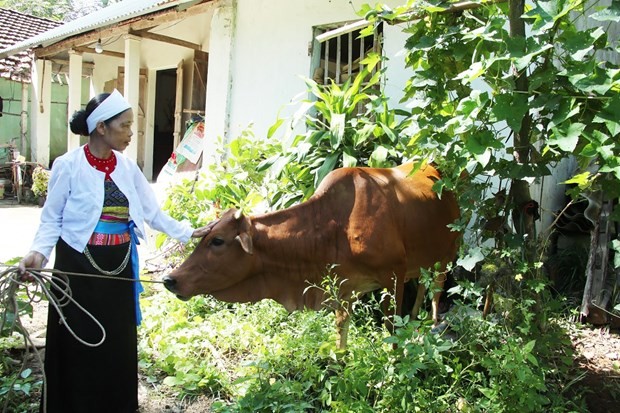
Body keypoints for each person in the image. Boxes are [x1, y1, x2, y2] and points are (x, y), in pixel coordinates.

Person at [18, 89, 211, 413]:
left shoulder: (126, 167)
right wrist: (37, 255)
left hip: (118, 269)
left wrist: (190, 232)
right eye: (124, 125)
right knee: (76, 347)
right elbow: (52, 220)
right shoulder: (68, 166)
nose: (131, 132)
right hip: (77, 269)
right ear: (101, 128)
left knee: (116, 347)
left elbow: (152, 213)